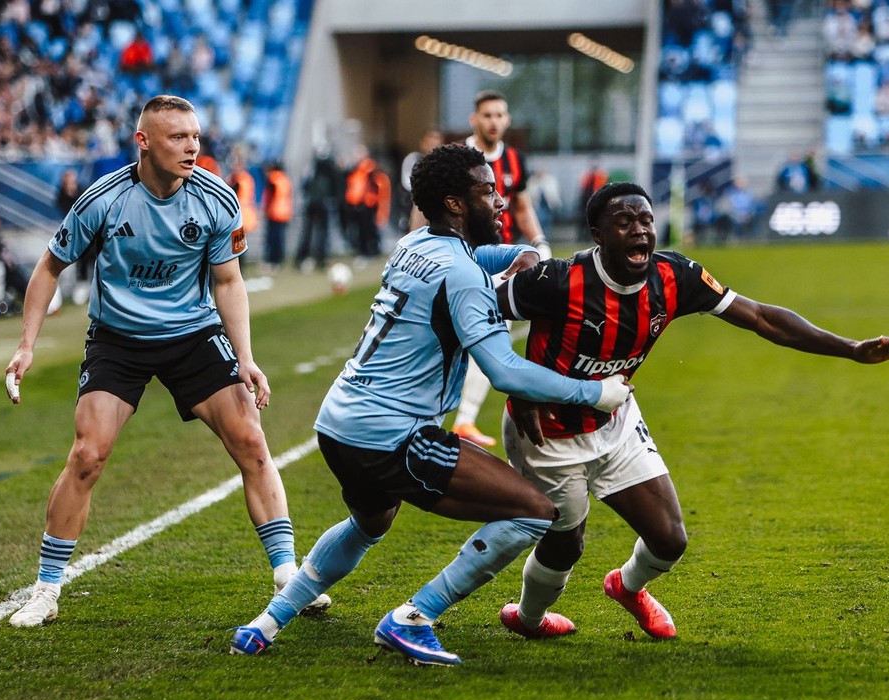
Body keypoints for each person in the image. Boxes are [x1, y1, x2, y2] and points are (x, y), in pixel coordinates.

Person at [228, 144, 633, 665]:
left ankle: (267, 622)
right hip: (391, 433)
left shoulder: (414, 242)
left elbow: (481, 257)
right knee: (536, 512)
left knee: (369, 522)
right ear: (456, 204)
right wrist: (596, 392)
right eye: (488, 192)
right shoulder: (460, 274)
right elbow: (504, 370)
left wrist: (524, 256)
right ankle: (413, 617)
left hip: (339, 423)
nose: (500, 199)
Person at [493, 182, 889, 641]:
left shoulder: (675, 275)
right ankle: (529, 618)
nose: (640, 231)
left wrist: (852, 349)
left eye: (646, 221)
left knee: (670, 539)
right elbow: (474, 315)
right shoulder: (558, 280)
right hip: (547, 435)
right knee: (566, 544)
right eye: (624, 222)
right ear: (597, 233)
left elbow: (761, 318)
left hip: (615, 421)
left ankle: (627, 586)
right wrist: (520, 389)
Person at [4, 95, 326, 628]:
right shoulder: (102, 200)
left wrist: (246, 359)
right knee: (87, 454)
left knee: (250, 438)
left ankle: (287, 574)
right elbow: (47, 268)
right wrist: (26, 345)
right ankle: (46, 588)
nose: (192, 147)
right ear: (144, 142)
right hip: (117, 339)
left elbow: (228, 281)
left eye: (195, 137)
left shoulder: (218, 200)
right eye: (177, 137)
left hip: (193, 334)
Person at [451, 90, 553, 447]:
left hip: (503, 266)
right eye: (487, 115)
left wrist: (538, 241)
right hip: (464, 259)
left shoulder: (514, 160)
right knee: (452, 339)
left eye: (499, 115)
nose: (494, 121)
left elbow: (521, 206)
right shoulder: (458, 158)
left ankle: (463, 421)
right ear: (474, 120)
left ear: (507, 120)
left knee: (491, 336)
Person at [293, 143, 339, 272]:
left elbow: (305, 185)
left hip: (316, 202)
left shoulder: (314, 169)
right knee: (316, 232)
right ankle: (315, 258)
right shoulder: (325, 168)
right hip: (318, 203)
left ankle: (310, 258)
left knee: (313, 232)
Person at [341, 144, 390, 258]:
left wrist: (372, 200)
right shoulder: (355, 169)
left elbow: (377, 186)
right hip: (356, 204)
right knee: (359, 229)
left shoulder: (370, 169)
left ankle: (372, 250)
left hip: (368, 203)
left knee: (368, 228)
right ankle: (362, 250)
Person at [55, 168, 94, 305]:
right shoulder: (62, 196)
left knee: (94, 256)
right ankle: (82, 287)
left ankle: (94, 287)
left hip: (89, 230)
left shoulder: (82, 191)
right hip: (75, 232)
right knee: (81, 259)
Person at [261, 159, 293, 271]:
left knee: (272, 239)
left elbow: (269, 196)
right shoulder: (285, 179)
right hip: (284, 212)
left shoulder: (272, 178)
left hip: (274, 212)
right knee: (280, 238)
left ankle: (272, 260)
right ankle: (279, 260)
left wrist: (265, 210)